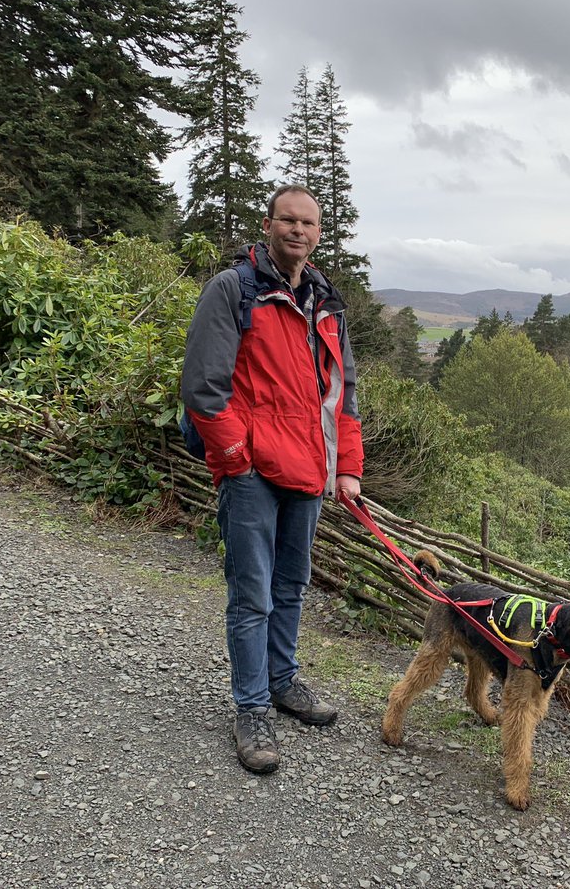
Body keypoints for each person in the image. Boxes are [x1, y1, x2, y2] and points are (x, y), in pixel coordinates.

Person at [180, 184, 364, 774]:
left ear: (317, 233)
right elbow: (204, 388)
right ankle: (252, 707)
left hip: (309, 469)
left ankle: (283, 682)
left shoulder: (326, 304)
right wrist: (237, 457)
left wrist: (347, 468)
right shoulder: (234, 290)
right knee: (252, 593)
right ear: (268, 225)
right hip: (254, 471)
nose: (299, 231)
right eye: (288, 220)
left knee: (291, 585)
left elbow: (342, 395)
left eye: (308, 223)